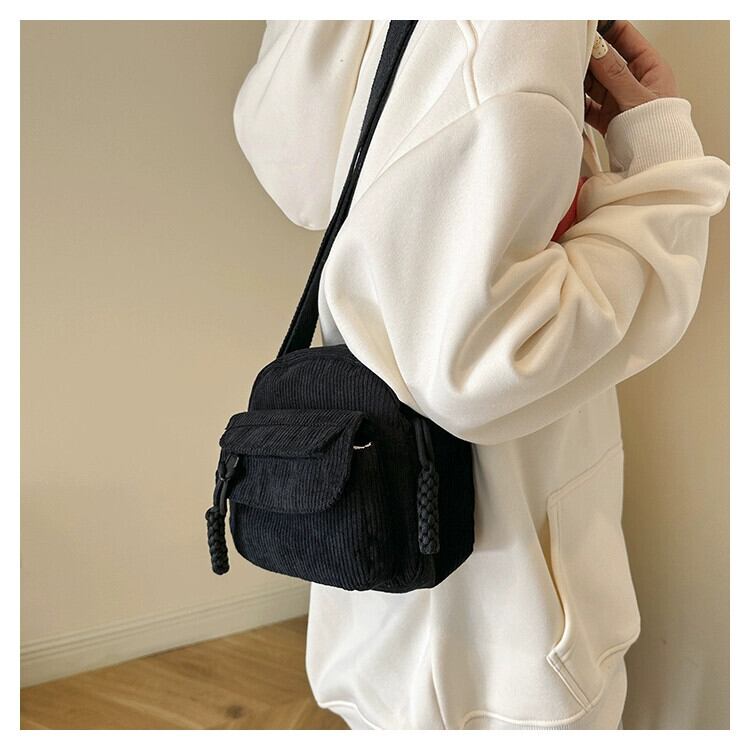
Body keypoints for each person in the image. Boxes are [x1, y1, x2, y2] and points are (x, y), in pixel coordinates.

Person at [232, 20, 730, 730]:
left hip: (374, 608)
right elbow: (478, 363)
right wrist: (659, 161)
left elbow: (303, 177)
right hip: (508, 638)